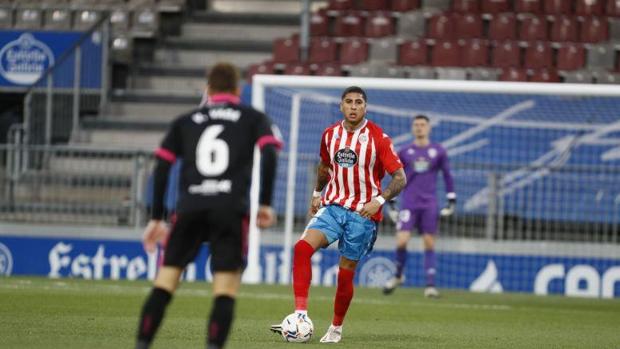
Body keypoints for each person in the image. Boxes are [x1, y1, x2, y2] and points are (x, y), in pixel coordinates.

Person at [135, 62, 282, 349]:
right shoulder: (252, 118)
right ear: (238, 90)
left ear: (208, 89)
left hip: (190, 207)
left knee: (165, 283)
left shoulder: (185, 121)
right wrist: (265, 203)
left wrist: (156, 218)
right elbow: (269, 153)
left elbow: (163, 166)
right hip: (230, 208)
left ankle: (142, 345)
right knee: (224, 290)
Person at [271, 86, 406, 343]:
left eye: (358, 102)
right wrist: (316, 192)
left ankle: (335, 328)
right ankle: (300, 315)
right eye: (349, 102)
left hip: (362, 215)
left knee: (344, 273)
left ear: (365, 107)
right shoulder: (330, 135)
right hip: (333, 207)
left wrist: (379, 200)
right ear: (341, 106)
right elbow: (324, 166)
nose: (353, 106)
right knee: (301, 248)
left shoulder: (379, 138)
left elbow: (400, 178)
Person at [383, 114, 456, 298]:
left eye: (422, 124)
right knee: (401, 241)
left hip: (429, 203)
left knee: (429, 243)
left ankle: (430, 286)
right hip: (409, 203)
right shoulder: (405, 152)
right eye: (416, 124)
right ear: (412, 128)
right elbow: (395, 177)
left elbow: (447, 175)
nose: (419, 127)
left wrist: (451, 199)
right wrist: (391, 202)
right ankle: (398, 276)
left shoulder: (438, 151)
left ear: (429, 128)